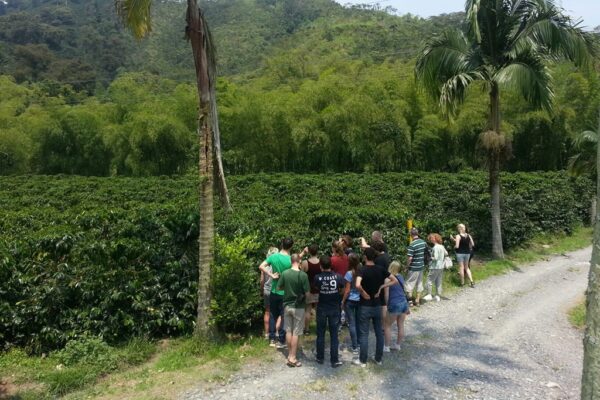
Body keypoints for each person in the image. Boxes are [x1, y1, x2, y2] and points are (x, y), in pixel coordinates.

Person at [353, 247, 399, 367]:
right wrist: (381, 288)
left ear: (365, 257)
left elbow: (357, 284)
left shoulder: (361, 270)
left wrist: (363, 293)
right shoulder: (381, 269)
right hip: (378, 305)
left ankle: (363, 360)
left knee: (364, 334)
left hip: (365, 306)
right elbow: (394, 280)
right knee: (379, 332)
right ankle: (378, 359)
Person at [259, 237, 294, 348]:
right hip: (286, 292)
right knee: (284, 316)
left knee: (273, 315)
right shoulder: (290, 260)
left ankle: (272, 339)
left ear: (281, 244)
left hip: (274, 290)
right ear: (291, 246)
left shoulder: (273, 257)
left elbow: (261, 266)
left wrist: (271, 275)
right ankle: (281, 340)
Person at [277, 253, 310, 367]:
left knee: (288, 331)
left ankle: (289, 355)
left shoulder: (285, 273)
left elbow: (279, 287)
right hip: (299, 307)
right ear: (299, 261)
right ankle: (293, 357)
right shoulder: (303, 275)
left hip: (287, 305)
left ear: (291, 261)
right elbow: (307, 293)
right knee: (296, 332)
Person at [314, 255, 345, 367]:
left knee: (320, 334)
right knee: (334, 335)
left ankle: (320, 357)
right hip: (334, 308)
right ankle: (334, 359)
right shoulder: (338, 276)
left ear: (321, 266)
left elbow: (317, 288)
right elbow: (342, 289)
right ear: (331, 265)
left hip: (322, 308)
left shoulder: (317, 277)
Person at [383, 261, 409, 352]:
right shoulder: (401, 277)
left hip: (394, 303)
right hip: (404, 303)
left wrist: (386, 305)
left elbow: (386, 295)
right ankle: (398, 345)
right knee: (400, 325)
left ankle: (386, 347)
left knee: (387, 325)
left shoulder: (388, 279)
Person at [342, 253, 361, 354]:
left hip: (350, 300)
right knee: (358, 322)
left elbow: (347, 290)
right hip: (360, 300)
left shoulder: (349, 274)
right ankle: (359, 343)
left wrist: (343, 301)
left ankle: (355, 346)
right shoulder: (361, 271)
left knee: (352, 323)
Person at [260, 247, 280, 339]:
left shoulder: (265, 265)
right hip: (276, 290)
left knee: (267, 312)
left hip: (267, 290)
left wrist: (261, 290)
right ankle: (276, 332)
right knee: (278, 313)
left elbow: (262, 280)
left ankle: (267, 334)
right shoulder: (278, 264)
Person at [405, 228, 428, 306]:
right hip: (421, 266)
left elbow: (410, 258)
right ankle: (417, 301)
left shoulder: (412, 244)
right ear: (417, 233)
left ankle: (410, 302)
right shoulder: (423, 242)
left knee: (409, 283)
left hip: (413, 267)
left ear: (411, 235)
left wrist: (407, 267)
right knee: (419, 283)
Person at [301, 244, 321, 335]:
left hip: (308, 289)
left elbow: (301, 275)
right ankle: (319, 328)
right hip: (318, 288)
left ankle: (307, 329)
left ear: (309, 251)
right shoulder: (321, 262)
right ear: (317, 251)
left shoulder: (305, 263)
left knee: (308, 310)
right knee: (318, 310)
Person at [424, 233, 446, 301]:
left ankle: (429, 294)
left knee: (429, 280)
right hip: (441, 266)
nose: (430, 240)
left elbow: (435, 258)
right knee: (438, 281)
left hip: (434, 267)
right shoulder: (442, 246)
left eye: (431, 238)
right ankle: (437, 296)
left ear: (435, 239)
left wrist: (430, 257)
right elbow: (446, 253)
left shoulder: (435, 247)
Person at [453, 224, 475, 288]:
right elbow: (472, 244)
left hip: (460, 253)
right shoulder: (469, 235)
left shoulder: (458, 236)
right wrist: (468, 246)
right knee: (467, 267)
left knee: (461, 268)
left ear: (459, 229)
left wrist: (454, 246)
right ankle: (471, 282)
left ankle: (462, 283)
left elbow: (457, 246)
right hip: (467, 253)